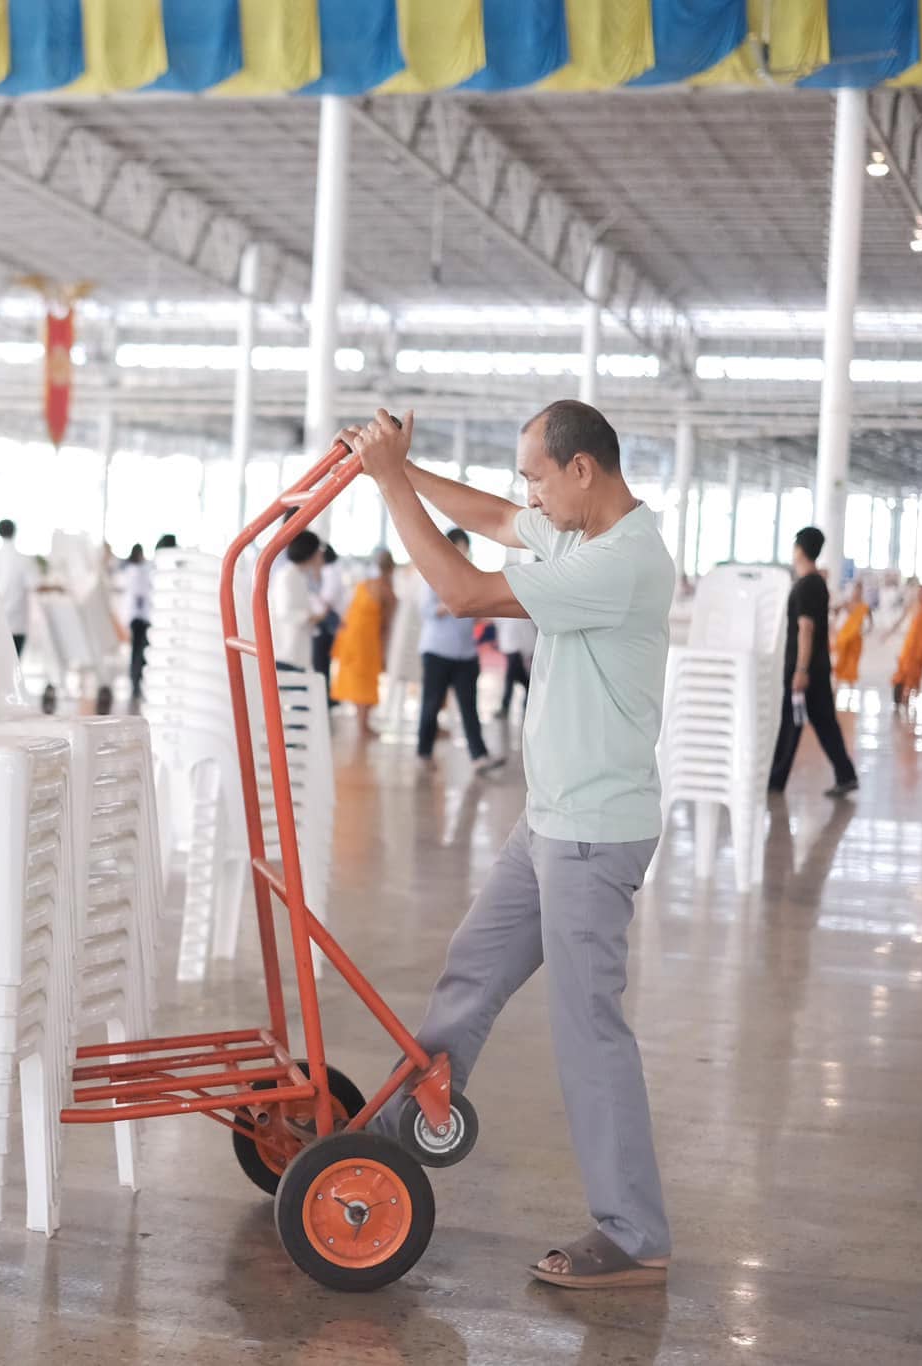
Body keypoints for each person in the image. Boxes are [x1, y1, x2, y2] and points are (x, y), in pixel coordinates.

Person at [349, 399, 673, 1289]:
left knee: (588, 1033)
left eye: (536, 472)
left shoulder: (621, 562)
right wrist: (399, 467)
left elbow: (460, 589)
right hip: (550, 821)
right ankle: (391, 1138)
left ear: (583, 470)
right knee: (472, 969)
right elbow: (491, 520)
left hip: (592, 836)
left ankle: (635, 1234)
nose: (524, 490)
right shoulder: (576, 532)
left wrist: (387, 486)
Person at [767, 528, 859, 798]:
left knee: (791, 723)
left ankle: (776, 779)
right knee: (822, 722)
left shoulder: (807, 585)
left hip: (806, 670)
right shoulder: (817, 583)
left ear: (799, 549)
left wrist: (801, 670)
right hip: (817, 668)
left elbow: (806, 628)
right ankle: (845, 774)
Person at [415, 528, 497, 772]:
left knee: (469, 706)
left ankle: (479, 756)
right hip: (437, 651)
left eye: (465, 546)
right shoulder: (431, 574)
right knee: (432, 703)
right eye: (458, 546)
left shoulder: (470, 574)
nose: (462, 551)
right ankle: (424, 751)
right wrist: (455, 602)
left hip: (465, 653)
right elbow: (427, 611)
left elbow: (478, 611)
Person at [330, 549, 396, 736]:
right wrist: (385, 649)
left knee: (361, 678)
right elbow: (387, 625)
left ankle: (362, 723)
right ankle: (362, 724)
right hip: (363, 639)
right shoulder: (385, 591)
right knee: (364, 679)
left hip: (355, 636)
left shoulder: (369, 586)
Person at [269, 530, 325, 668]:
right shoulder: (287, 576)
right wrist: (312, 617)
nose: (321, 554)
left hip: (295, 651)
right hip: (286, 652)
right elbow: (285, 612)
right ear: (309, 553)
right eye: (318, 550)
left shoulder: (299, 575)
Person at [0, 518, 38, 656]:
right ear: (15, 532)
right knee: (14, 663)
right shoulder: (23, 559)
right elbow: (34, 585)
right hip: (17, 621)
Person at [890, 583, 922, 707]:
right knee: (904, 668)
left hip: (921, 645)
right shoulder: (912, 606)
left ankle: (909, 696)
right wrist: (889, 633)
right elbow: (900, 620)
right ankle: (902, 696)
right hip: (910, 643)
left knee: (915, 672)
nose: (919, 595)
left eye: (921, 592)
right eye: (917, 592)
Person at [315, 544, 348, 705]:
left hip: (328, 620)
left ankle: (326, 697)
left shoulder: (330, 571)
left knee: (322, 660)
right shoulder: (334, 570)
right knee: (324, 660)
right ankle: (327, 695)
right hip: (333, 619)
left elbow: (327, 598)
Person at [120, 543, 152, 697]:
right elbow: (140, 594)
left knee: (136, 650)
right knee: (139, 650)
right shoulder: (139, 570)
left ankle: (135, 682)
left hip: (135, 616)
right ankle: (136, 683)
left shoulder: (130, 569)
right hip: (140, 617)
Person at [494, 614, 535, 719]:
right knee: (519, 679)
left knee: (511, 677)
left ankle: (507, 706)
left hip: (518, 648)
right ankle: (528, 702)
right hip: (511, 646)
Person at [830, 580, 869, 692]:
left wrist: (863, 631)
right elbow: (835, 612)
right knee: (840, 662)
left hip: (856, 640)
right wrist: (834, 629)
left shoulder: (864, 606)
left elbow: (869, 624)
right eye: (855, 590)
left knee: (852, 664)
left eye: (859, 591)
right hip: (844, 638)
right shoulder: (847, 603)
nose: (856, 593)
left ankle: (851, 691)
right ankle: (835, 688)